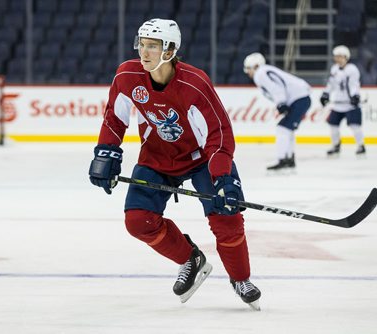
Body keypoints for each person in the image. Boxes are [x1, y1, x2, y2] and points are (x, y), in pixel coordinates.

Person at [88, 18, 261, 309]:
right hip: (156, 158)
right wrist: (106, 152)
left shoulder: (194, 83)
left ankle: (240, 278)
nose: (144, 52)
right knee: (137, 221)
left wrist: (223, 178)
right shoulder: (127, 75)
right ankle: (190, 259)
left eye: (152, 46)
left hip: (201, 159)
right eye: (142, 44)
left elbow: (219, 135)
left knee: (227, 219)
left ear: (169, 51)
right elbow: (114, 118)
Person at [243, 53, 311, 171]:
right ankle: (288, 158)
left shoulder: (260, 73)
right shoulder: (264, 71)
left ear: (256, 66)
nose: (247, 72)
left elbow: (276, 87)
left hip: (299, 99)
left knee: (283, 128)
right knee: (287, 129)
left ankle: (284, 159)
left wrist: (281, 103)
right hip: (301, 98)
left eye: (249, 68)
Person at [320, 45, 366, 157]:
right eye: (336, 56)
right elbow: (331, 84)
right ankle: (336, 145)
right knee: (333, 125)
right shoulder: (334, 69)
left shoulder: (352, 69)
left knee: (355, 125)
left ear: (346, 57)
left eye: (340, 56)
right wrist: (325, 94)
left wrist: (355, 96)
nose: (338, 59)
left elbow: (353, 84)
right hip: (338, 104)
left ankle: (361, 145)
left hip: (350, 105)